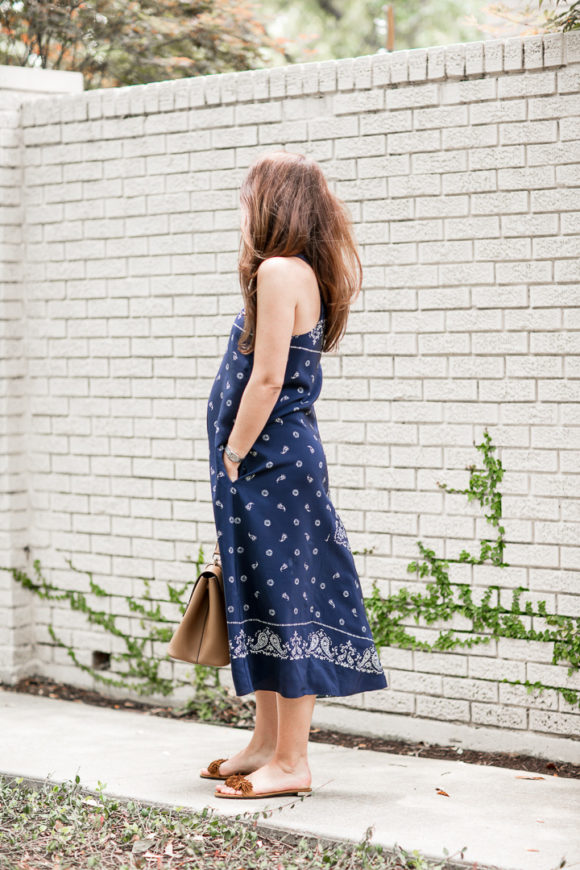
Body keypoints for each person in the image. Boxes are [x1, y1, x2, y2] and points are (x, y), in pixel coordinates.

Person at [202, 150, 388, 799]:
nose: (243, 209)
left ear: (273, 202)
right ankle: (264, 745)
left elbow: (270, 376)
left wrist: (233, 453)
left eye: (250, 196)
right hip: (267, 465)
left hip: (269, 463)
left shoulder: (280, 271)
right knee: (259, 596)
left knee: (287, 600)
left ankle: (293, 762)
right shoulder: (292, 270)